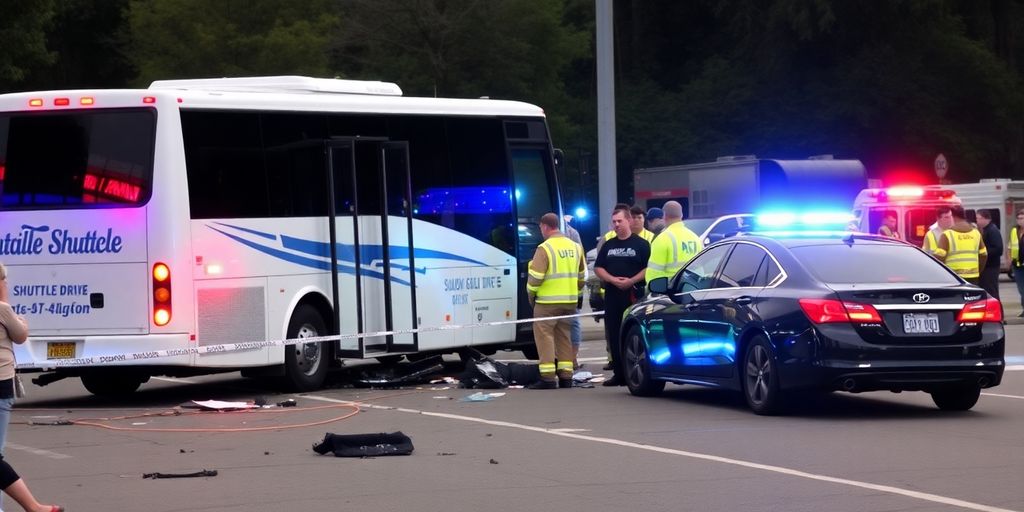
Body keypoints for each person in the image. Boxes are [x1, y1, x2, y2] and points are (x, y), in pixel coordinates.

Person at [0, 263, 64, 512]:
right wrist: (10, 307)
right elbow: (20, 334)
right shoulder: (3, 310)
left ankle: (32, 507)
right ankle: (34, 508)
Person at [525, 214, 585, 389]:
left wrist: (531, 297)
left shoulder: (544, 248)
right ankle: (566, 377)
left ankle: (548, 378)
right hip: (569, 302)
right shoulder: (575, 247)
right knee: (564, 337)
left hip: (546, 303)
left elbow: (535, 279)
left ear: (544, 226)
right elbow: (581, 277)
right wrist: (577, 295)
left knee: (545, 338)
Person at [594, 205, 650, 387]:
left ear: (629, 220)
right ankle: (618, 373)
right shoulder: (609, 245)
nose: (616, 225)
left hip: (633, 297)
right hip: (612, 297)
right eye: (614, 222)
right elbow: (598, 268)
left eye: (620, 221)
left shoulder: (641, 245)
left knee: (632, 335)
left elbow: (648, 268)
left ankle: (633, 373)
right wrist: (612, 279)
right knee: (615, 334)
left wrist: (631, 281)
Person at [646, 201, 703, 282]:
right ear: (681, 215)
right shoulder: (695, 237)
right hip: (693, 289)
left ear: (664, 215)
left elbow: (654, 274)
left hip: (670, 291)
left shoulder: (662, 239)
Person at [935, 206, 987, 286]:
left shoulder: (947, 234)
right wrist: (978, 270)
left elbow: (939, 257)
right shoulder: (976, 233)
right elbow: (984, 254)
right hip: (973, 276)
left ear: (953, 217)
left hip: (954, 277)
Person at [562, 215, 587, 368]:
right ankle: (572, 359)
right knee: (573, 323)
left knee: (570, 323)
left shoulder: (571, 233)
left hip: (566, 288)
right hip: (572, 287)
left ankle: (570, 358)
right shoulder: (573, 233)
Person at [976, 210, 1002, 301]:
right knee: (988, 290)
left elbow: (998, 249)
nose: (977, 221)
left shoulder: (992, 230)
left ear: (985, 219)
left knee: (992, 291)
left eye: (978, 218)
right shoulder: (986, 229)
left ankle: (999, 313)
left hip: (991, 267)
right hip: (987, 266)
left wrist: (983, 253)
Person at [1010, 208, 1024, 317]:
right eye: (1019, 218)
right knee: (1021, 289)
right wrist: (1008, 259)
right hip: (1017, 265)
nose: (1020, 220)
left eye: (1022, 218)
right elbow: (1010, 246)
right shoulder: (1014, 230)